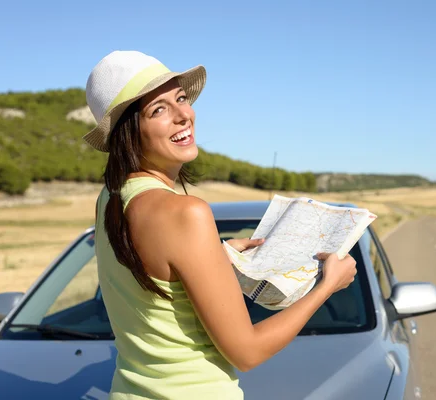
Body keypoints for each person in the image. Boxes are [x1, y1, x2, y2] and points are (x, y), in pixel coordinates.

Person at [84, 50, 357, 399]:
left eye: (181, 98)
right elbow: (247, 352)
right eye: (159, 109)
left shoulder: (110, 198)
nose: (184, 115)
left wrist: (215, 255)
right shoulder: (186, 214)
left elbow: (155, 288)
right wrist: (326, 287)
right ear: (128, 132)